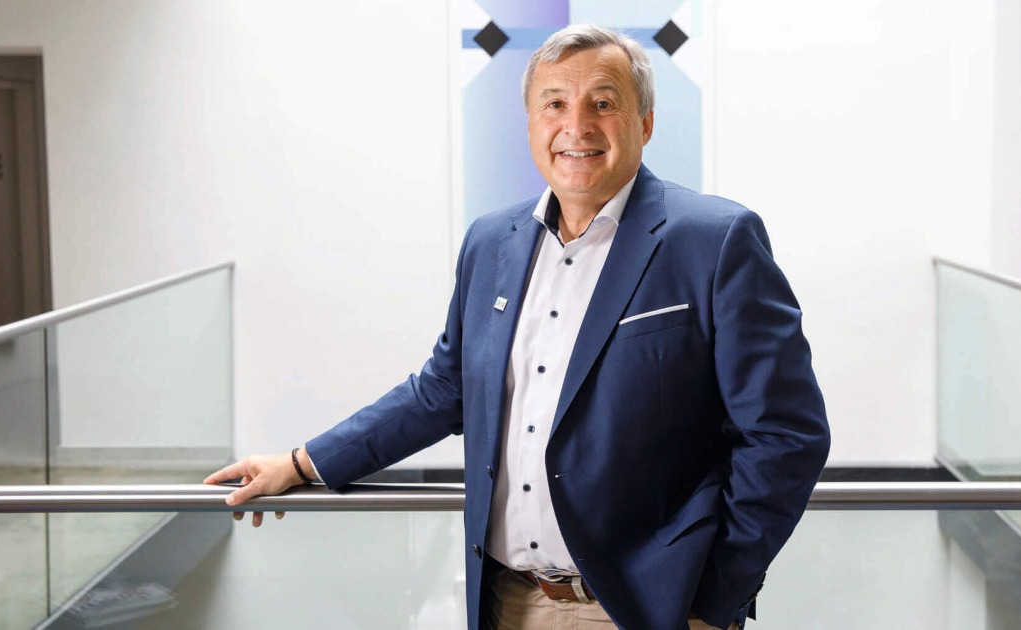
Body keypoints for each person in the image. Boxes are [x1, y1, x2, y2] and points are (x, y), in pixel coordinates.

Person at [205, 24, 830, 630]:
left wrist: (714, 593)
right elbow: (443, 390)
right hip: (508, 602)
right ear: (530, 123)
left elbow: (786, 433)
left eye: (603, 103)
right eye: (554, 104)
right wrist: (303, 463)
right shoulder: (490, 242)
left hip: (651, 609)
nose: (576, 127)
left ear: (643, 123)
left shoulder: (715, 241)